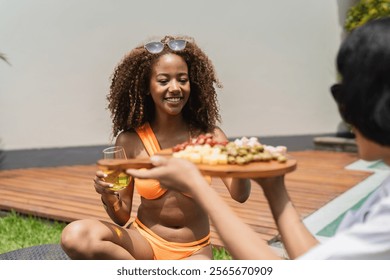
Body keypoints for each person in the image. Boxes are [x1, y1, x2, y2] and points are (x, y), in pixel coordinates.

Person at [126, 17, 390, 260]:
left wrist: (197, 184)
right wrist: (275, 188)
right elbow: (316, 265)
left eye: (345, 93)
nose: (343, 108)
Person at [60, 35, 251, 260]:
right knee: (75, 235)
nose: (175, 88)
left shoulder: (209, 136)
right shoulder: (129, 141)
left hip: (192, 251)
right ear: (147, 87)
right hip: (144, 242)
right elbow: (121, 217)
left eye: (183, 79)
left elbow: (240, 195)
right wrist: (109, 196)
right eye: (163, 81)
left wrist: (241, 162)